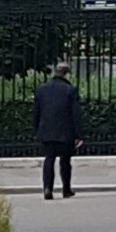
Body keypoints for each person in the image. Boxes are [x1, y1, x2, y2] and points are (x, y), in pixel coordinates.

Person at [32, 62, 84, 199]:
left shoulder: (42, 89)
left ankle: (47, 188)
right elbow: (76, 114)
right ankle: (66, 189)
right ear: (67, 74)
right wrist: (79, 135)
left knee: (49, 159)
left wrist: (38, 129)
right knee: (65, 161)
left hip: (46, 130)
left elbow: (36, 113)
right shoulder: (70, 90)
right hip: (65, 132)